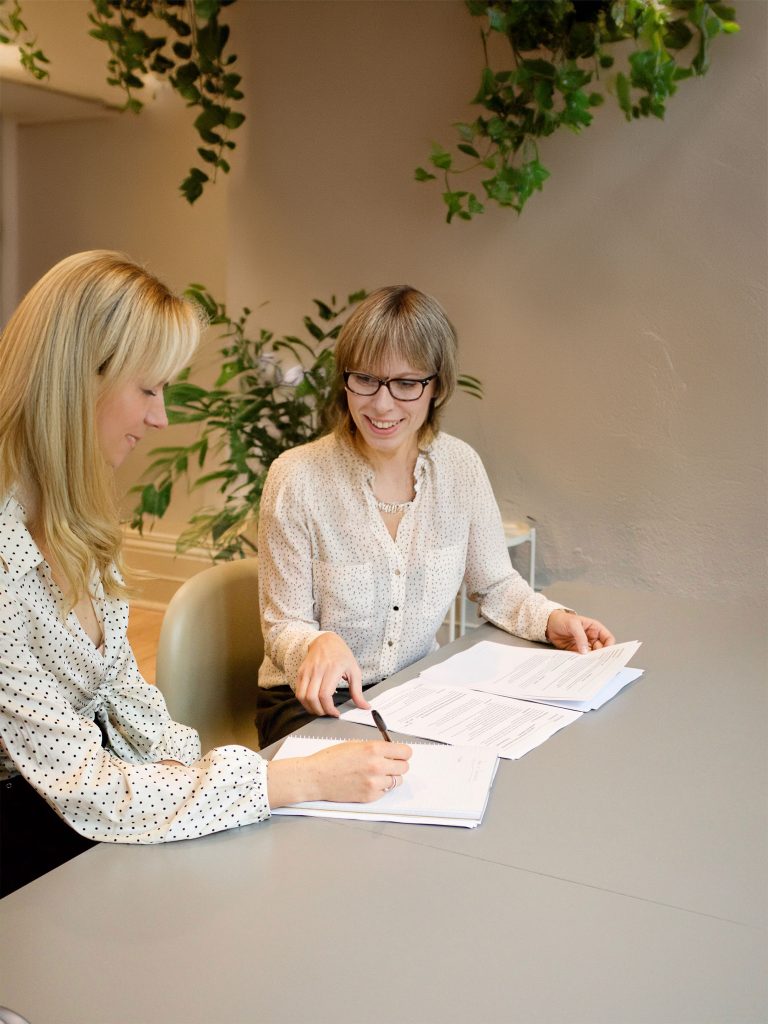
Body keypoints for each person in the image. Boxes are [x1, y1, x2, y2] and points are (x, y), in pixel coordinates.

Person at [0, 252, 410, 898]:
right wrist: (289, 782)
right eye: (149, 389)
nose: (161, 418)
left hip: (91, 803)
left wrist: (226, 781)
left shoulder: (79, 524)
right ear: (77, 380)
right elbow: (85, 788)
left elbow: (131, 706)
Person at [256, 285, 615, 746]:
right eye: (365, 379)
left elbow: (494, 585)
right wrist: (312, 645)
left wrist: (551, 620)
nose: (382, 404)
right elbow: (283, 626)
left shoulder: (460, 467)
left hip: (414, 694)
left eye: (406, 384)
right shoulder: (297, 478)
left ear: (437, 387)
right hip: (310, 705)